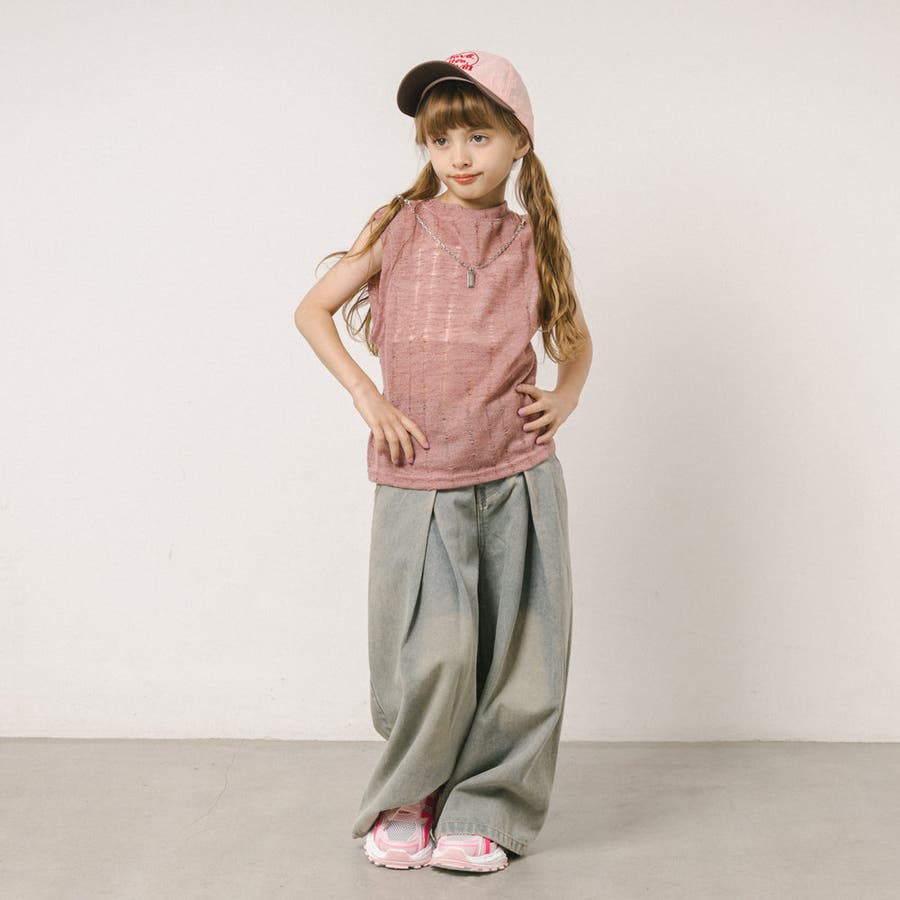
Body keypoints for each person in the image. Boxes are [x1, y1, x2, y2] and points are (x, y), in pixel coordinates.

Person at [293, 49, 592, 874]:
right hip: (421, 478)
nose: (459, 156)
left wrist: (566, 396)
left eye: (479, 136)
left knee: (521, 660)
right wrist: (368, 396)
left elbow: (574, 339)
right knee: (433, 654)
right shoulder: (400, 226)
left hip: (518, 473)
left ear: (519, 141)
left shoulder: (532, 242)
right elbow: (313, 309)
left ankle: (489, 805)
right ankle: (411, 793)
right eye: (440, 139)